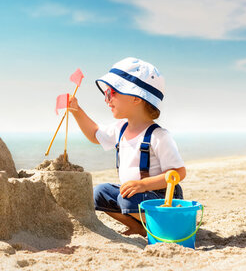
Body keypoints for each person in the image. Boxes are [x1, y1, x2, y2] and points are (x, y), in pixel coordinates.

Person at [68, 57, 186, 236]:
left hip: (161, 198)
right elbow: (94, 134)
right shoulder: (120, 129)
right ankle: (138, 227)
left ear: (136, 97)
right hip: (133, 193)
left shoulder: (158, 136)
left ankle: (162, 225)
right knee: (99, 193)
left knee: (127, 200)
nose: (107, 99)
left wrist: (143, 185)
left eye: (112, 93)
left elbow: (178, 173)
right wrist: (77, 111)